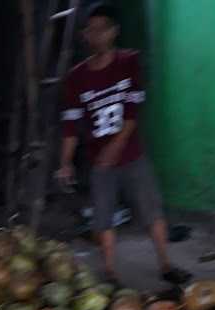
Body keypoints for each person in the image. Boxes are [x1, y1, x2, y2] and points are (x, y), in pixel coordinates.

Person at [57, 4, 191, 286]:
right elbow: (70, 123)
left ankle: (166, 265)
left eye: (102, 29)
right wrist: (66, 162)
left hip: (132, 156)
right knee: (103, 219)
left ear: (113, 32)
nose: (96, 35)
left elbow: (132, 111)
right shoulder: (75, 78)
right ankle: (110, 273)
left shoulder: (129, 62)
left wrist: (116, 146)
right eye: (90, 30)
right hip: (99, 162)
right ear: (84, 35)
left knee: (152, 211)